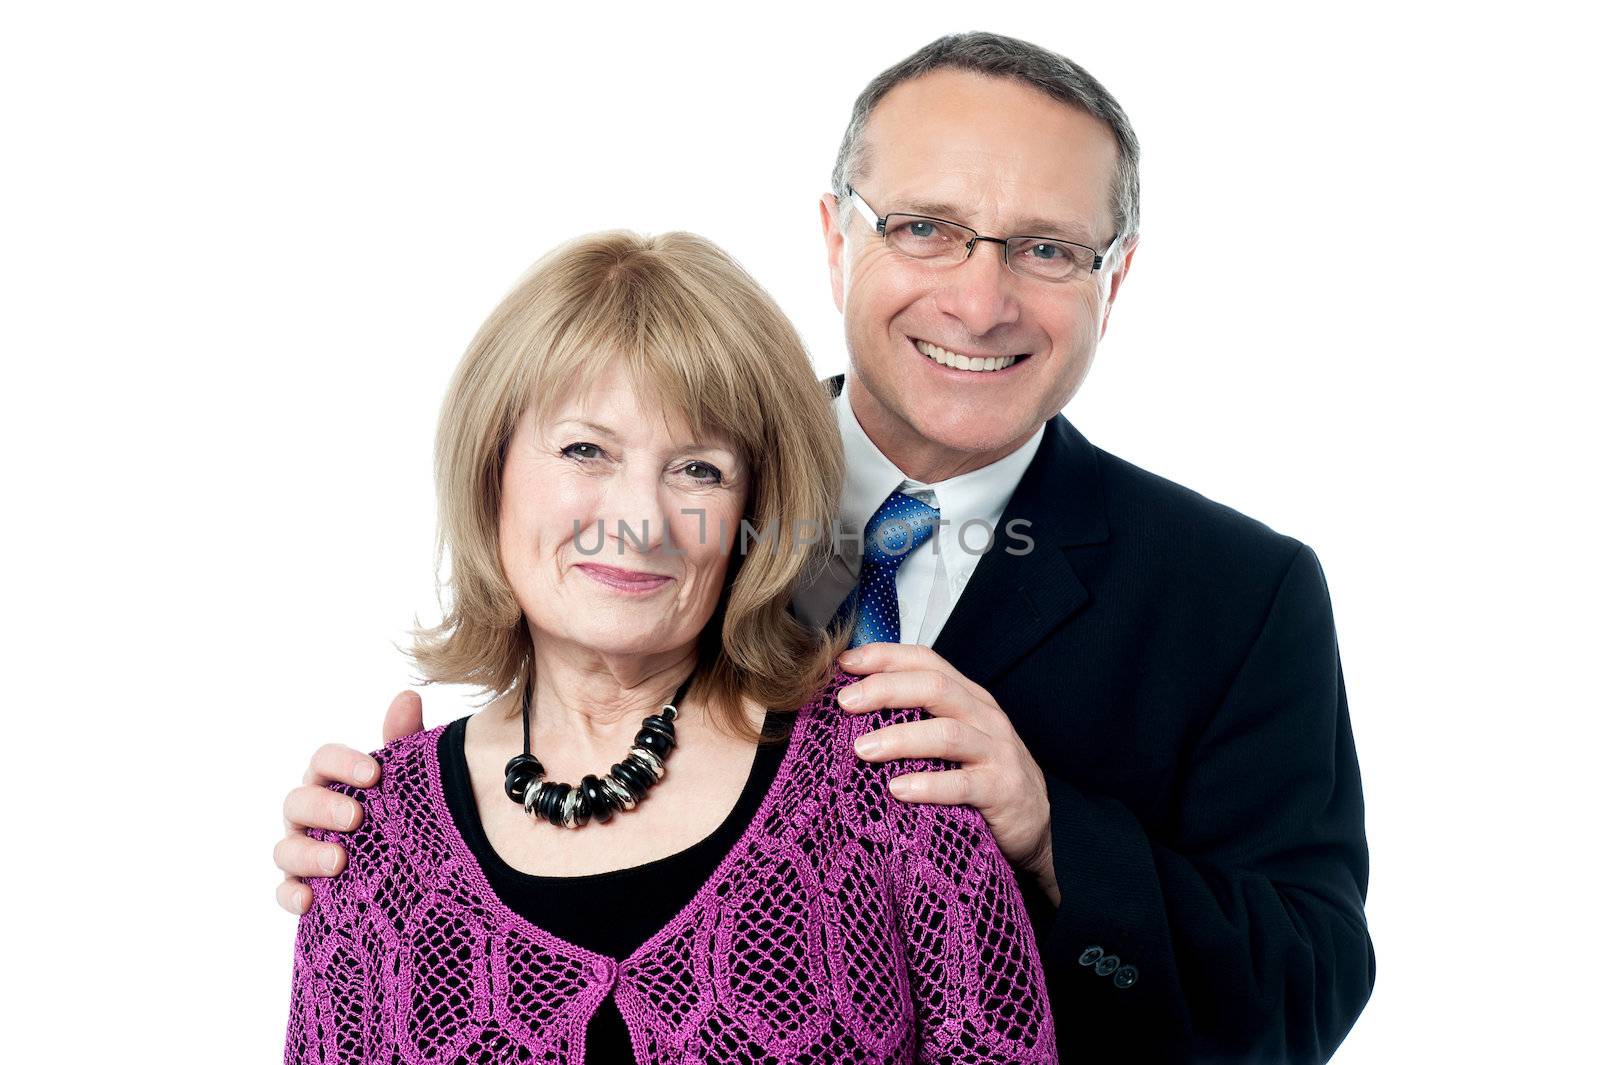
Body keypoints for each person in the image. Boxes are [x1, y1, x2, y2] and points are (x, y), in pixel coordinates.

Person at [278, 32, 1375, 1063]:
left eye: (1047, 248)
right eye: (924, 228)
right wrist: (403, 839)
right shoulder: (675, 485)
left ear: (1114, 278)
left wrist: (1051, 840)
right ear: (834, 235)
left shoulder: (1238, 594)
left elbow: (1305, 995)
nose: (978, 299)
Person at [282, 229, 1058, 1064]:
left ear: (751, 513)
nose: (641, 522)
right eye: (586, 449)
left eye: (699, 471)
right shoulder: (371, 829)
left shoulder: (886, 773)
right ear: (490, 469)